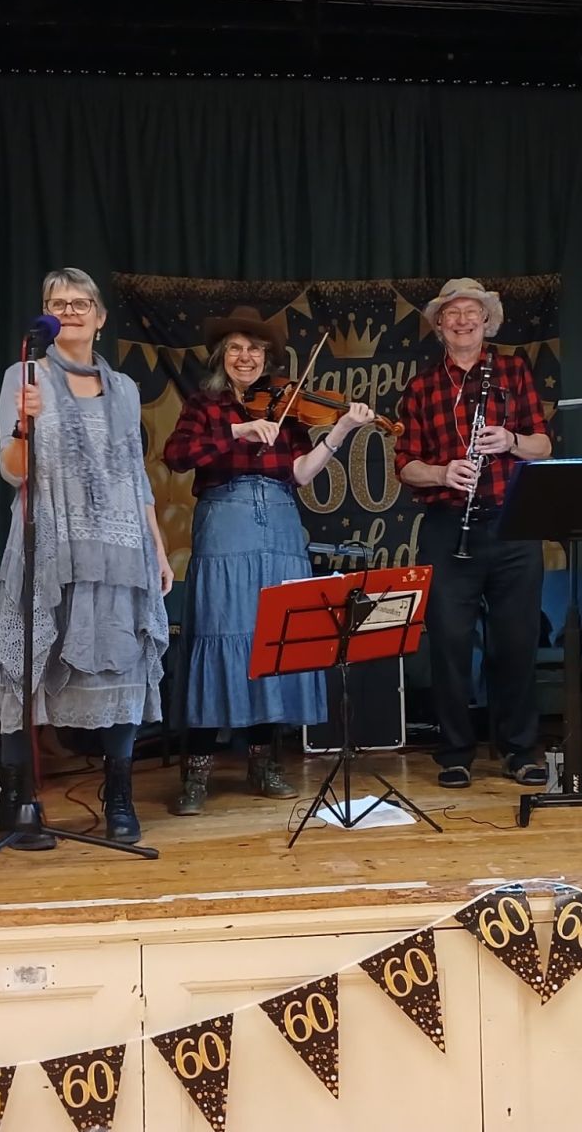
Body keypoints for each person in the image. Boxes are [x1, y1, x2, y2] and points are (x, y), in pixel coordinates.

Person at [163, 305, 375, 815]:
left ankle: (264, 762)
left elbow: (301, 473)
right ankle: (196, 773)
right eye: (236, 348)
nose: (246, 357)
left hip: (281, 522)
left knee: (272, 640)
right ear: (222, 356)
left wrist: (342, 429)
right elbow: (177, 455)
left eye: (255, 350)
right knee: (220, 635)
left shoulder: (287, 405)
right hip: (227, 518)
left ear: (267, 357)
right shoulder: (205, 403)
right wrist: (237, 432)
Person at [0, 267, 173, 845]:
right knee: (28, 670)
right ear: (45, 313)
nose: (69, 311)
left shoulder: (123, 388)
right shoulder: (25, 375)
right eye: (56, 302)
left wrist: (158, 552)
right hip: (51, 547)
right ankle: (18, 807)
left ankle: (119, 797)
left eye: (80, 302)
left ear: (99, 316)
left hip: (119, 550)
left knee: (121, 665)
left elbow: (133, 476)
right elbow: (12, 473)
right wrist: (24, 426)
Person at [394, 278, 552, 789]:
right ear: (439, 325)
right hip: (447, 526)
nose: (463, 321)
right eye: (452, 314)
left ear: (487, 322)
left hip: (512, 524)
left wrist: (511, 439)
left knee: (516, 643)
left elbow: (544, 446)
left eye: (472, 313)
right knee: (449, 645)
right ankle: (455, 752)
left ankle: (519, 749)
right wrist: (442, 473)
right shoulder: (421, 387)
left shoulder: (512, 371)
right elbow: (405, 466)